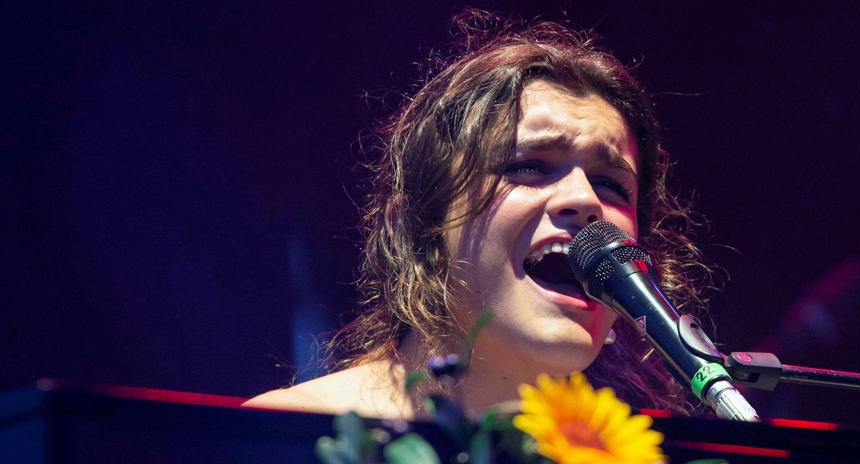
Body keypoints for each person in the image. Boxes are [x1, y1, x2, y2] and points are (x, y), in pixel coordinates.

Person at [246, 12, 713, 420]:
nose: (586, 200)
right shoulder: (291, 433)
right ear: (414, 228)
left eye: (611, 184)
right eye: (528, 166)